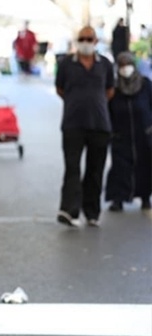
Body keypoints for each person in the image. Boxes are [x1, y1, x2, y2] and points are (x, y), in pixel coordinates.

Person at [55, 26, 115, 227]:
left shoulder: (105, 64)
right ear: (77, 40)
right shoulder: (65, 64)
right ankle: (69, 210)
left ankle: (92, 212)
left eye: (90, 38)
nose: (86, 42)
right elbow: (60, 88)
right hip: (73, 124)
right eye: (82, 38)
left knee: (95, 170)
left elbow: (109, 91)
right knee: (72, 168)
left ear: (96, 41)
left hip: (100, 125)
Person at [106, 52, 152, 211]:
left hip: (143, 134)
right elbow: (108, 110)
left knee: (145, 165)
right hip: (121, 134)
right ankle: (118, 199)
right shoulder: (115, 88)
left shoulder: (145, 85)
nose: (125, 68)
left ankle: (145, 197)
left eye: (128, 64)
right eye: (122, 65)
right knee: (120, 167)